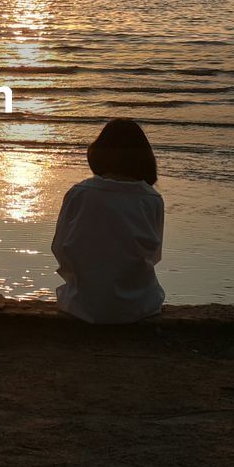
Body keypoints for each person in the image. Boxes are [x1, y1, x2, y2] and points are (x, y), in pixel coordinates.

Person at [51, 119, 165, 324]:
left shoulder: (79, 194)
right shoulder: (152, 199)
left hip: (81, 304)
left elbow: (60, 248)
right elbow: (153, 255)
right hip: (139, 306)